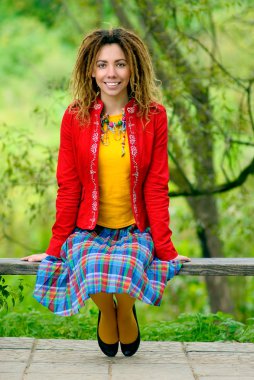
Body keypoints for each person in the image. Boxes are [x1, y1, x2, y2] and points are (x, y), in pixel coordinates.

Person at [21, 27, 190, 357]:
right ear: (91, 70)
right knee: (86, 262)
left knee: (130, 266)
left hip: (134, 231)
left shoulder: (154, 116)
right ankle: (106, 309)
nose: (111, 73)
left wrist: (167, 250)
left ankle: (124, 310)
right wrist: (55, 249)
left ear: (134, 68)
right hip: (90, 230)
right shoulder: (74, 117)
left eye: (120, 64)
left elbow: (157, 186)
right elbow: (68, 187)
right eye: (102, 65)